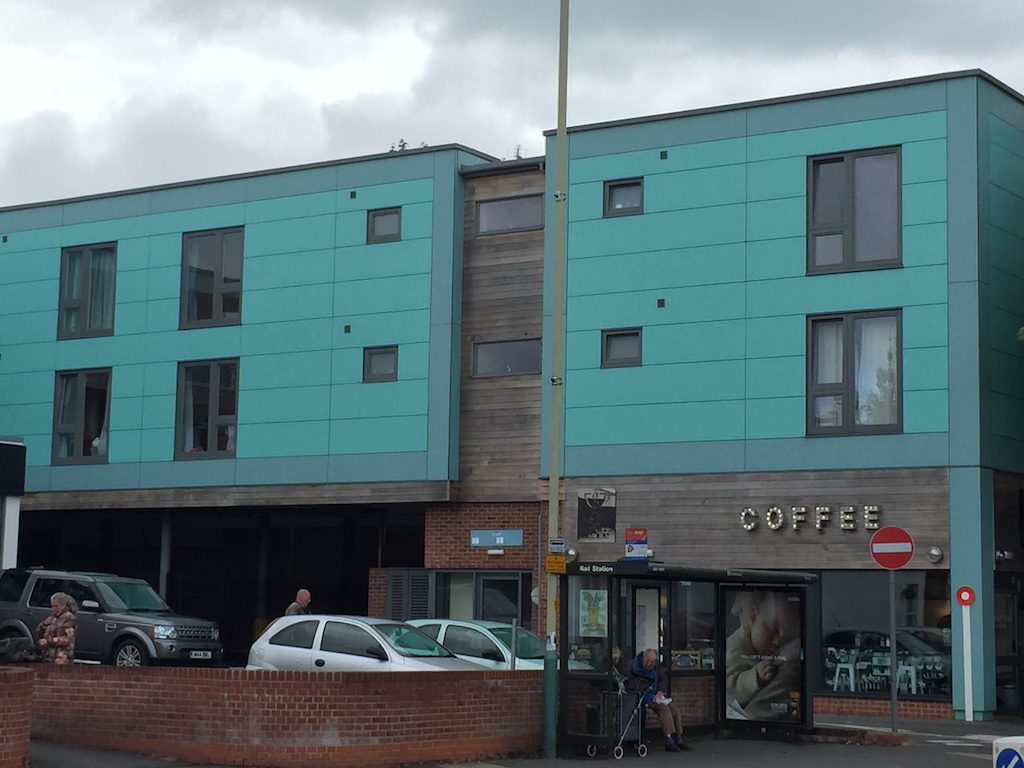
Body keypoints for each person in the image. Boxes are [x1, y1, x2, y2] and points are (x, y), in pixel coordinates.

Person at [630, 648, 689, 752]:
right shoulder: (635, 666)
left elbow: (663, 678)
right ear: (644, 658)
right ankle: (668, 740)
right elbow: (633, 684)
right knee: (664, 709)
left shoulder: (656, 666)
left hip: (656, 695)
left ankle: (678, 738)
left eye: (652, 662)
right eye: (648, 661)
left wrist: (661, 691)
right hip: (643, 696)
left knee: (674, 710)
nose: (650, 664)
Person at [35, 592, 78, 664]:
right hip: (48, 656)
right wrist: (44, 624)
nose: (53, 608)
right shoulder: (52, 618)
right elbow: (38, 633)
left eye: (56, 606)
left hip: (61, 658)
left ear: (63, 605)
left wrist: (48, 641)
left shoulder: (70, 618)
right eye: (52, 606)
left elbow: (66, 639)